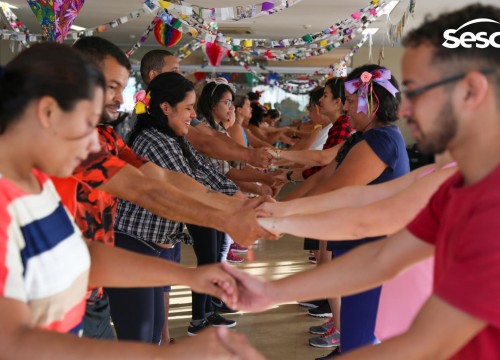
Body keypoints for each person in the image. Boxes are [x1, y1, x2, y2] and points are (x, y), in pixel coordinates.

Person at [225, 4, 500, 359]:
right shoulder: (456, 185)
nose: (405, 109)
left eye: (416, 92)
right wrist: (271, 290)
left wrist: (279, 221)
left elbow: (425, 344)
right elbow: (378, 254)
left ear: (470, 91)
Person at [0, 42, 264, 360]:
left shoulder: (39, 185)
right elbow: (12, 342)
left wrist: (190, 277)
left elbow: (84, 256)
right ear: (47, 112)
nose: (91, 146)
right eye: (86, 125)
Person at [112, 72, 243, 340]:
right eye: (188, 107)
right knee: (140, 335)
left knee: (153, 329)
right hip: (133, 247)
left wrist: (241, 198)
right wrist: (241, 210)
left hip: (152, 249)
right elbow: (189, 184)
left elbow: (206, 172)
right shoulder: (153, 141)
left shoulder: (174, 138)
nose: (193, 114)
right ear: (165, 107)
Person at [139, 49, 272, 169]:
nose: (180, 74)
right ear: (153, 75)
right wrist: (248, 155)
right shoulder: (152, 109)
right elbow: (203, 143)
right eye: (174, 70)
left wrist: (249, 154)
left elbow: (211, 134)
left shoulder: (176, 106)